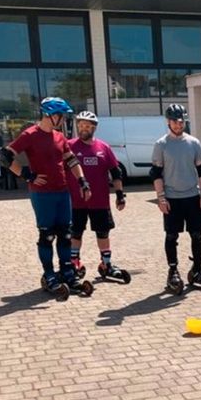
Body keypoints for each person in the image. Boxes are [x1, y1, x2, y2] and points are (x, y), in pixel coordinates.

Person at [0, 97, 91, 295]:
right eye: (62, 115)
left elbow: (71, 160)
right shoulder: (30, 134)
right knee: (47, 235)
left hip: (62, 191)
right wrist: (27, 175)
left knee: (66, 234)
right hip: (43, 195)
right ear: (50, 114)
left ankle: (67, 271)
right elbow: (5, 156)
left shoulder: (59, 137)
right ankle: (49, 274)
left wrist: (82, 181)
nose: (64, 119)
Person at [149, 103, 201, 293]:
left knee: (197, 234)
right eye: (174, 122)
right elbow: (156, 174)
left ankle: (197, 269)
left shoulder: (194, 143)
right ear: (168, 122)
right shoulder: (161, 144)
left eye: (181, 121)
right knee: (171, 235)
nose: (178, 125)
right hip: (171, 198)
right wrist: (161, 198)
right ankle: (173, 271)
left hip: (192, 196)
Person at [67, 111, 130, 282]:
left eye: (87, 126)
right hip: (76, 202)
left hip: (100, 201)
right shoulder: (69, 146)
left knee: (103, 233)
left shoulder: (103, 148)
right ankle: (74, 262)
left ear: (94, 128)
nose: (83, 129)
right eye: (80, 125)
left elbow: (115, 172)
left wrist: (119, 195)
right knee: (75, 233)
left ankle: (106, 264)